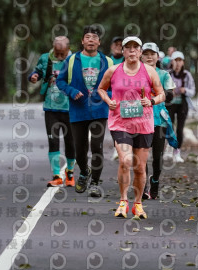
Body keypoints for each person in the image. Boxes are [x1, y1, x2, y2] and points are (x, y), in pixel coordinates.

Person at [97, 36, 165, 219]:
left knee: (140, 168)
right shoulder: (113, 70)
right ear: (124, 51)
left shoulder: (150, 72)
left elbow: (161, 95)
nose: (132, 50)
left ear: (140, 52)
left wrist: (150, 100)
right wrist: (108, 100)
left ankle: (138, 204)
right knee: (126, 161)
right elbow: (101, 88)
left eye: (136, 47)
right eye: (129, 47)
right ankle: (123, 201)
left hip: (144, 124)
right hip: (120, 122)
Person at [56, 25, 114, 197]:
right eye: (87, 37)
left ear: (99, 42)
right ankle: (84, 172)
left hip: (99, 110)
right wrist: (73, 92)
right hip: (78, 109)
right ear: (82, 41)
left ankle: (95, 183)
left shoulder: (108, 62)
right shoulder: (72, 60)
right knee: (79, 149)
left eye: (94, 37)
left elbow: (114, 86)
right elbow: (60, 81)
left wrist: (104, 95)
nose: (91, 40)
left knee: (96, 146)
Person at [28, 36, 76, 187]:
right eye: (57, 53)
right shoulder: (45, 58)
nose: (59, 56)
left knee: (70, 142)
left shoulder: (75, 60)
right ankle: (56, 175)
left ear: (68, 49)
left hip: (70, 109)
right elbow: (37, 72)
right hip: (51, 108)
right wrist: (34, 76)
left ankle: (70, 173)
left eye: (62, 53)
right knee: (53, 141)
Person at [140, 42, 175, 200]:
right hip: (139, 120)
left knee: (157, 156)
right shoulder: (135, 73)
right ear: (141, 55)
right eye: (146, 54)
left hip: (158, 120)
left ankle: (155, 181)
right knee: (142, 156)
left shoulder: (164, 75)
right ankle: (144, 187)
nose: (149, 57)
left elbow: (170, 95)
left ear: (157, 56)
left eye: (152, 54)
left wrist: (155, 94)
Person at [167, 51, 195, 163]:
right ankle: (168, 149)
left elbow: (193, 91)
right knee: (169, 128)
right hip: (169, 104)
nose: (177, 63)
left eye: (180, 60)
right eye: (175, 60)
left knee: (179, 129)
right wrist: (169, 92)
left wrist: (185, 90)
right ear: (172, 62)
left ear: (183, 62)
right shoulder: (167, 74)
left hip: (182, 104)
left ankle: (177, 152)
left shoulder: (187, 75)